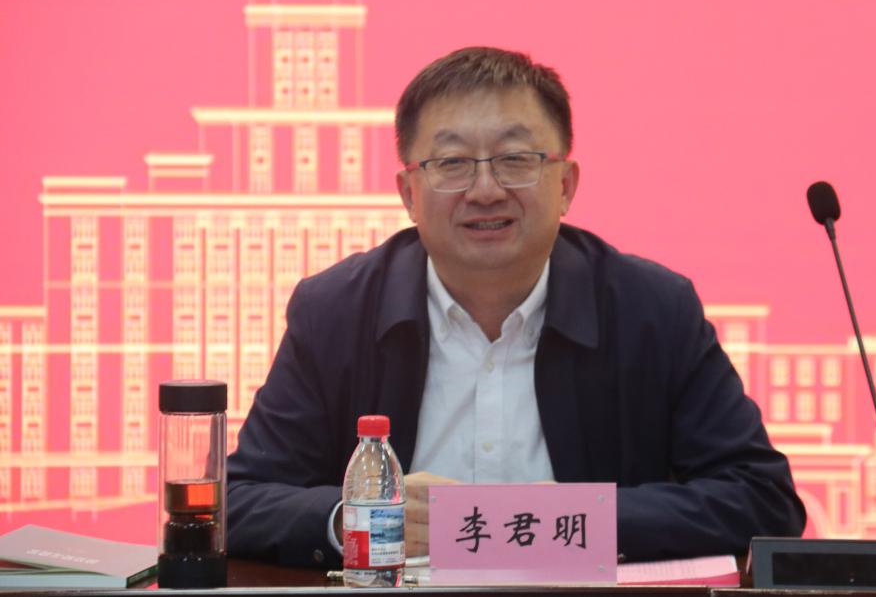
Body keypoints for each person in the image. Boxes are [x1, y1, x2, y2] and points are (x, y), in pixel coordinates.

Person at [226, 46, 806, 568]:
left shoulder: (651, 310)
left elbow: (762, 499)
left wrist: (568, 521)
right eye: (452, 162)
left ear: (565, 185)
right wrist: (363, 519)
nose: (485, 190)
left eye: (515, 158)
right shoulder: (336, 311)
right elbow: (238, 500)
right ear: (409, 195)